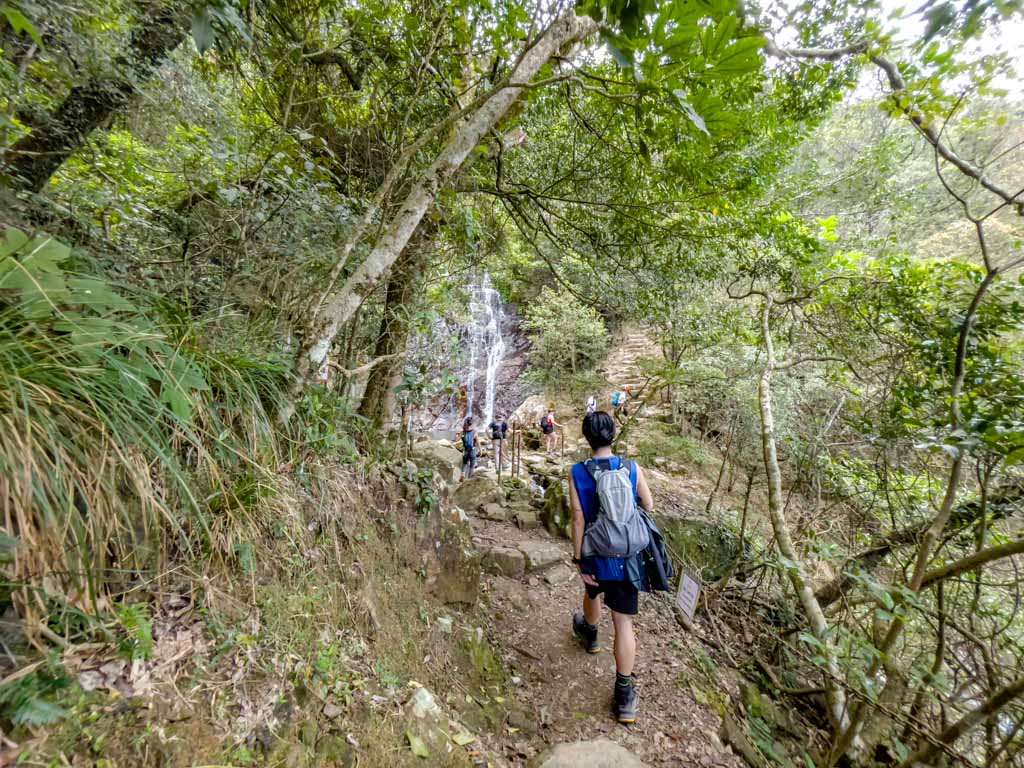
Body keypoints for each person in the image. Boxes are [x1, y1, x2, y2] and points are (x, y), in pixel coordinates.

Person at [568, 411, 655, 724]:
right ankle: (624, 694)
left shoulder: (578, 471)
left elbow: (578, 517)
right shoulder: (631, 468)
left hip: (594, 554)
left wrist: (579, 558)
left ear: (586, 438)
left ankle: (590, 635)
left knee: (591, 595)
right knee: (623, 623)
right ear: (613, 434)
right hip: (626, 558)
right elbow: (649, 505)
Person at [460, 417, 478, 482]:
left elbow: (458, 439)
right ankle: (469, 479)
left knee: (464, 464)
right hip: (472, 450)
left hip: (465, 450)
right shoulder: (474, 432)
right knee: (472, 465)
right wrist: (481, 451)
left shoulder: (463, 432)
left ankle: (463, 474)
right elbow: (478, 443)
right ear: (472, 424)